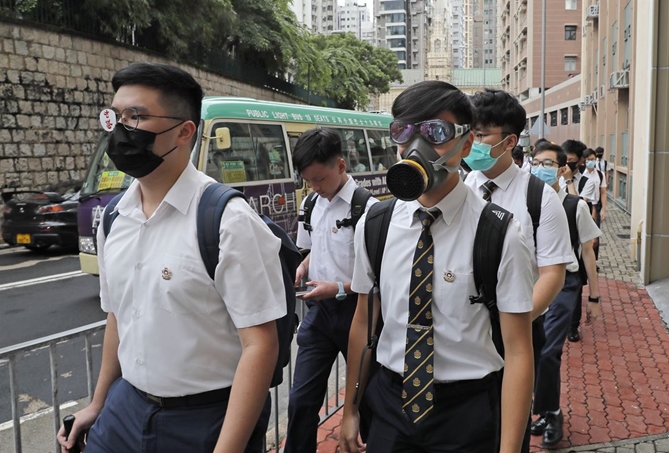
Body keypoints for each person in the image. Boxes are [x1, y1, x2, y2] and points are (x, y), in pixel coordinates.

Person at [57, 62, 285, 453]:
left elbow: (260, 345)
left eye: (137, 116)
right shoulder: (114, 217)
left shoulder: (226, 221)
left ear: (184, 132)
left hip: (205, 418)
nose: (120, 129)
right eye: (116, 116)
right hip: (125, 409)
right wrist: (99, 403)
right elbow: (118, 316)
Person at [340, 81, 535, 453]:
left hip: (468, 412)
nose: (417, 147)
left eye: (437, 133)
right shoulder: (376, 224)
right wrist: (350, 408)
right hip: (389, 407)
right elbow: (364, 322)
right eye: (404, 132)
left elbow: (519, 351)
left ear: (465, 145)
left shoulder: (501, 233)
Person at [463, 89, 573, 453]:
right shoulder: (461, 189)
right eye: (469, 133)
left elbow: (553, 272)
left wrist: (516, 320)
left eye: (480, 135)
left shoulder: (540, 197)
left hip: (518, 328)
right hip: (462, 329)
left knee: (507, 426)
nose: (471, 142)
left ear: (510, 141)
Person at [285, 128, 377, 453]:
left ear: (340, 165)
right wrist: (303, 266)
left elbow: (380, 278)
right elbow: (311, 249)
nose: (315, 187)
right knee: (300, 401)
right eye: (308, 181)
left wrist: (338, 287)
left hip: (360, 315)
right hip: (320, 317)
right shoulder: (312, 204)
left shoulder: (369, 210)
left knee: (366, 401)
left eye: (320, 179)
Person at [528, 143, 601, 447]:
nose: (539, 167)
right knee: (535, 352)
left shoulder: (575, 205)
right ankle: (545, 409)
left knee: (548, 351)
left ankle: (553, 412)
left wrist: (593, 298)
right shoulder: (527, 201)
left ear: (561, 169)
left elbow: (587, 252)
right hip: (531, 283)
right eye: (535, 162)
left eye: (547, 163)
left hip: (564, 285)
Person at [560, 140, 600, 342]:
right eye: (564, 160)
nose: (567, 164)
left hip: (579, 237)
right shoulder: (556, 178)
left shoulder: (588, 181)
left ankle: (572, 326)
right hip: (559, 239)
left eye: (571, 161)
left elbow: (578, 206)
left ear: (580, 160)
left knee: (577, 282)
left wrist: (569, 183)